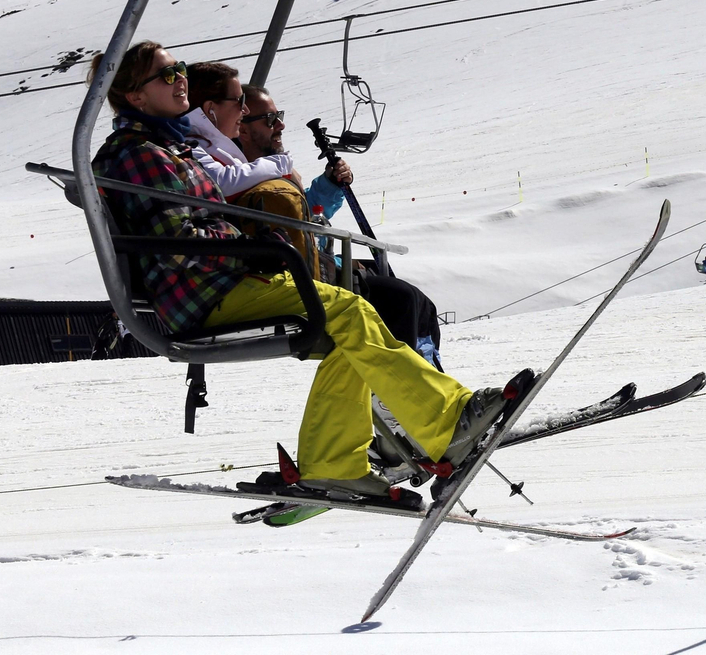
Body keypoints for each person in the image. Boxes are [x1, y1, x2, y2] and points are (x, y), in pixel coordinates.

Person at [89, 41, 505, 498]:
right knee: (351, 312)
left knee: (350, 332)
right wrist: (250, 247)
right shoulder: (137, 154)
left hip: (222, 281)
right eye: (167, 75)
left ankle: (334, 464)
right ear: (136, 96)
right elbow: (179, 241)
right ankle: (447, 422)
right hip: (207, 293)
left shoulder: (169, 146)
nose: (180, 78)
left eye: (180, 68)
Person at [230, 83, 447, 367]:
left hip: (313, 261)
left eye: (278, 115)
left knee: (420, 304)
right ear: (243, 128)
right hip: (295, 274)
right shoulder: (237, 175)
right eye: (270, 119)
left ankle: (431, 377)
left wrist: (329, 186)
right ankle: (400, 393)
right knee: (400, 299)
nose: (280, 125)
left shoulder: (271, 167)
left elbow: (304, 214)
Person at [180, 61, 293, 197]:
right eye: (240, 101)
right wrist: (281, 163)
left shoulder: (210, 142)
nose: (245, 110)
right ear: (210, 108)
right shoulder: (185, 143)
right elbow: (221, 182)